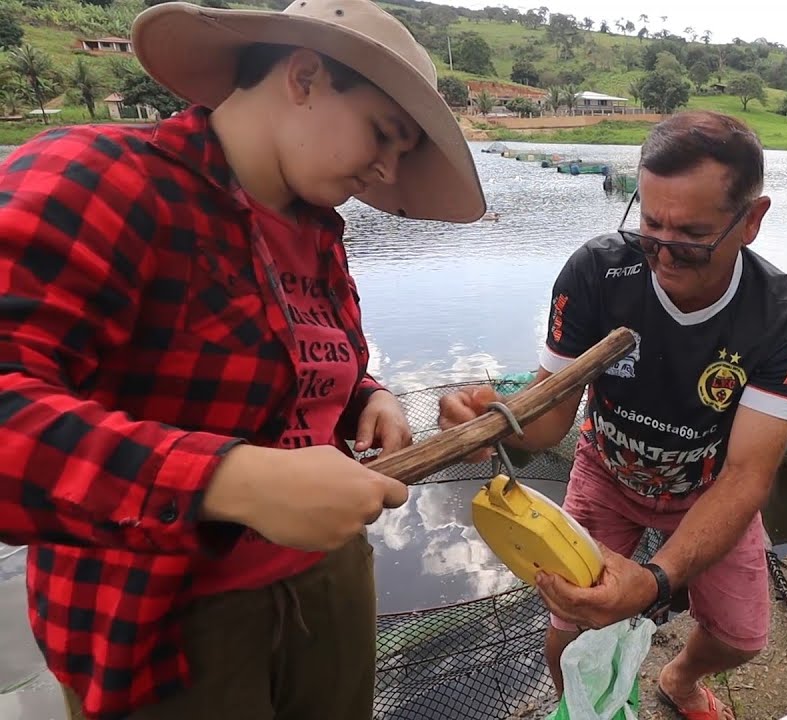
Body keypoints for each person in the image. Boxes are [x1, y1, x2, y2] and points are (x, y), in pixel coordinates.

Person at [0, 0, 486, 718]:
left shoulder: (317, 229)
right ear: (306, 76)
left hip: (329, 581)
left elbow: (310, 357)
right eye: (383, 133)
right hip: (165, 620)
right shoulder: (102, 179)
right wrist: (232, 480)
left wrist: (365, 395)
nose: (386, 170)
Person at [439, 110, 787, 720]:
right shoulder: (597, 274)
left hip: (709, 487)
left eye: (691, 235)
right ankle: (580, 711)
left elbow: (748, 476)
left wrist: (652, 582)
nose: (663, 255)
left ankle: (681, 679)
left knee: (740, 636)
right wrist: (492, 419)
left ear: (751, 220)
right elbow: (547, 421)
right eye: (650, 224)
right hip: (607, 472)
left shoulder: (784, 322)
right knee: (571, 627)